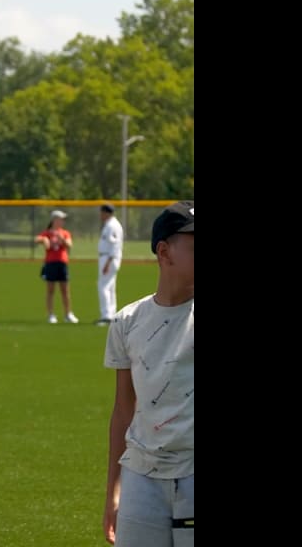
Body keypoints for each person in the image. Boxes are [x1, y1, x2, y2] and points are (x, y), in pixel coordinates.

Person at [102, 200, 194, 547]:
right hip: (141, 477)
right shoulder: (128, 321)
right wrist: (113, 489)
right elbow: (123, 411)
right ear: (164, 252)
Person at [36, 209, 78, 324]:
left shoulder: (64, 232)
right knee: (50, 290)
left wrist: (62, 239)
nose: (62, 221)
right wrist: (44, 239)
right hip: (50, 263)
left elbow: (70, 244)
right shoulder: (47, 232)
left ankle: (68, 314)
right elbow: (37, 239)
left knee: (65, 290)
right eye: (61, 219)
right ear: (54, 220)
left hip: (62, 262)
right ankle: (51, 314)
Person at [95, 203, 125, 326]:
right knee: (110, 287)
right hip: (109, 257)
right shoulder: (111, 224)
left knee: (104, 287)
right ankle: (111, 314)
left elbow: (115, 245)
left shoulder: (112, 226)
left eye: (101, 212)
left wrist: (108, 262)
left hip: (108, 257)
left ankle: (106, 315)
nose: (100, 215)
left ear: (106, 212)